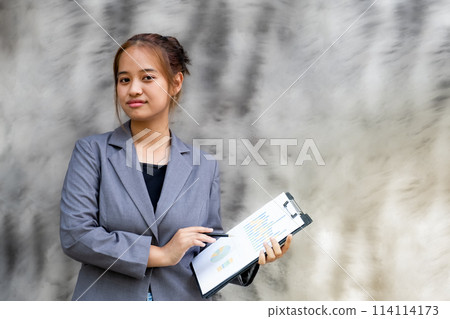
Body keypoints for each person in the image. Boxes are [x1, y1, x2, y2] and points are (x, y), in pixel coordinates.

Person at [60, 33, 293, 301]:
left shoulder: (203, 165)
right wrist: (162, 254)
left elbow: (206, 248)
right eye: (124, 79)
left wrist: (253, 253)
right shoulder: (92, 152)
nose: (133, 89)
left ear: (176, 82)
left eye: (147, 77)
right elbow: (76, 236)